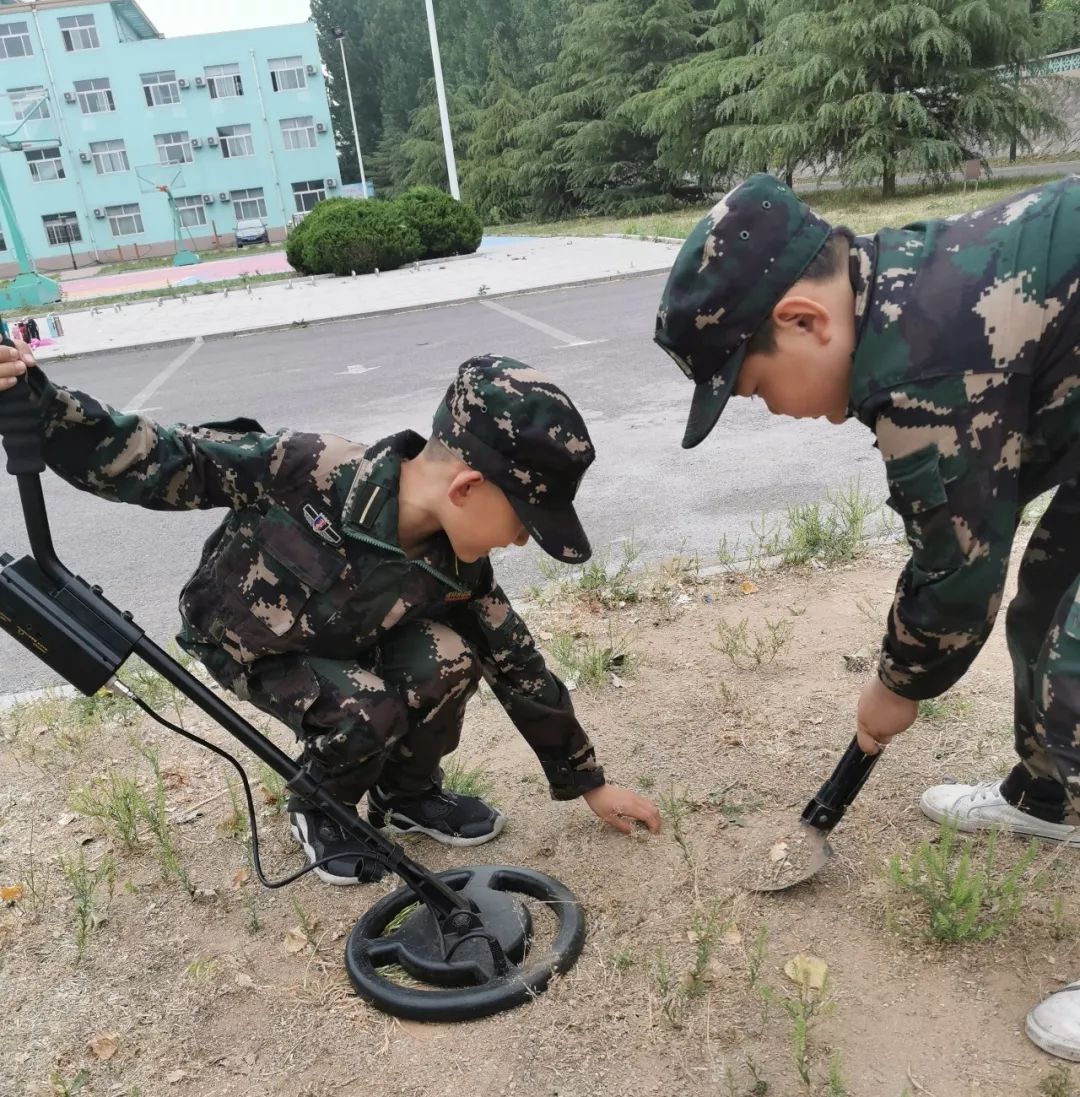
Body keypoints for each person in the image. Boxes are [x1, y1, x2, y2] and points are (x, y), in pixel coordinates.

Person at [652, 173, 1080, 1060]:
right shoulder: (897, 285)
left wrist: (896, 685)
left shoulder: (925, 360)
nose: (771, 408)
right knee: (1049, 599)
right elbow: (980, 532)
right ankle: (1045, 793)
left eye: (756, 386)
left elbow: (956, 576)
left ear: (806, 321)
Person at [0, 348, 660, 887]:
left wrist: (588, 782)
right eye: (524, 522)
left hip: (345, 645)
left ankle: (407, 795)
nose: (520, 541)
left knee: (454, 656)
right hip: (248, 644)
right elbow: (159, 456)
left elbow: (520, 668)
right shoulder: (305, 468)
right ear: (466, 488)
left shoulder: (458, 568)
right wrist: (38, 402)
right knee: (368, 708)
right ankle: (321, 807)